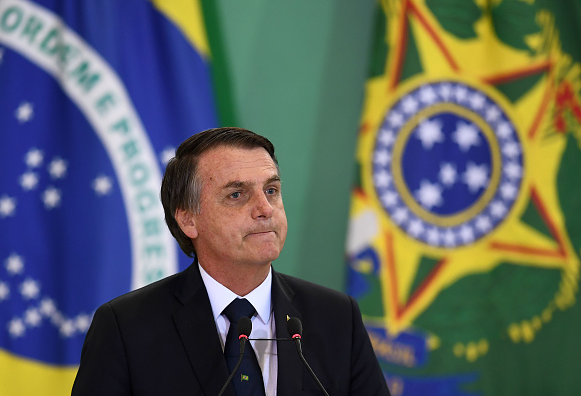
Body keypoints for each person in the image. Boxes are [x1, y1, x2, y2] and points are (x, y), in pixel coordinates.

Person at [72, 127, 390, 396]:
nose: (265, 208)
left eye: (272, 190)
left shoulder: (336, 318)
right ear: (187, 219)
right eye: (237, 195)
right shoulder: (126, 327)